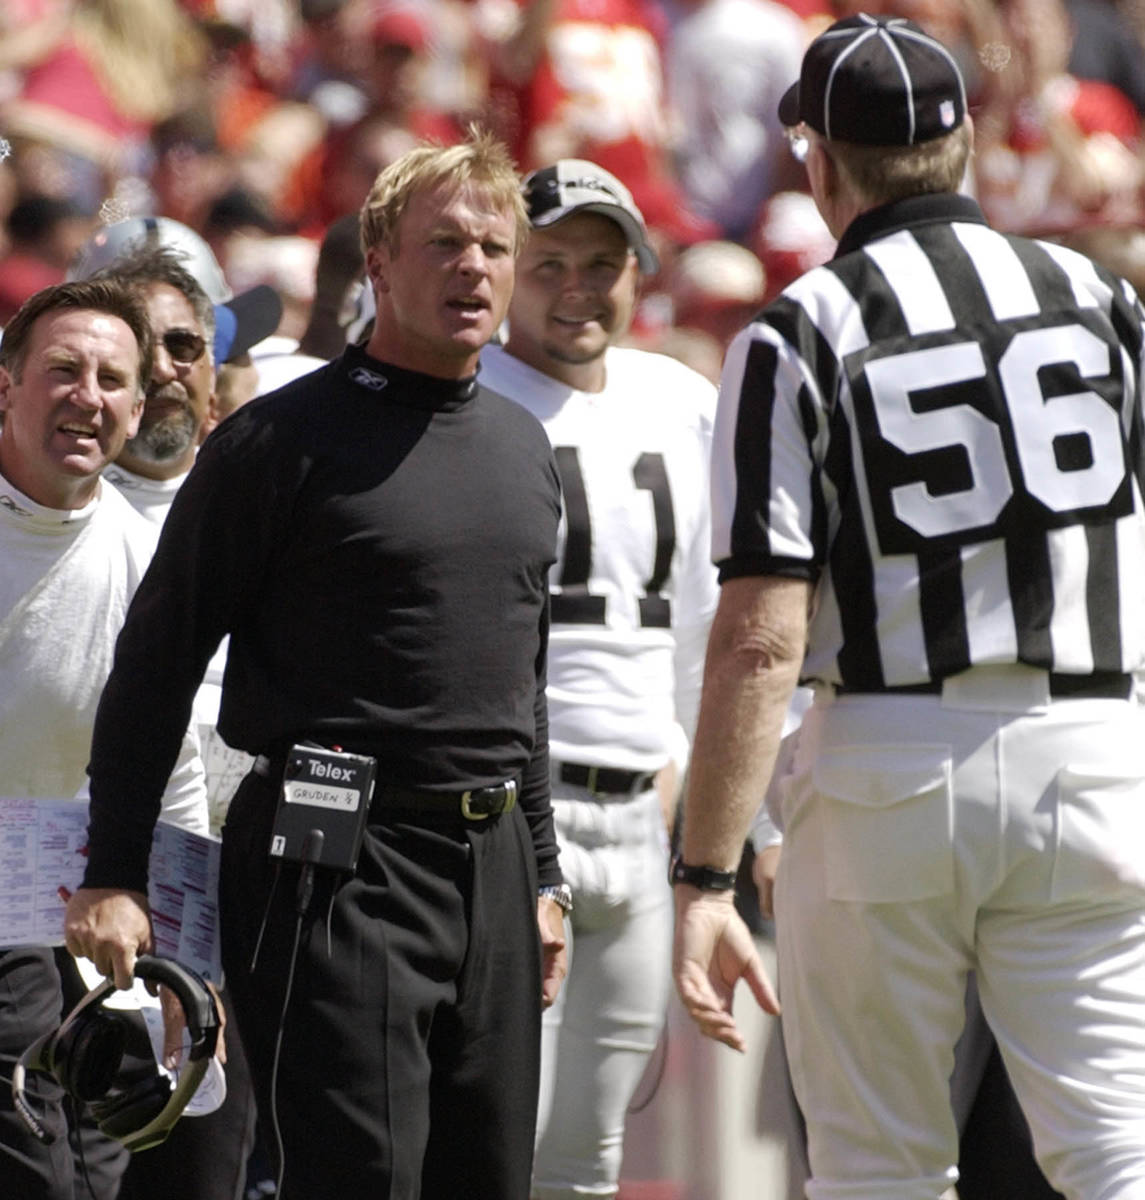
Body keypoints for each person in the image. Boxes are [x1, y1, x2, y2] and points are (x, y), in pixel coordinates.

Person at [671, 14, 1145, 1199]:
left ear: (818, 161)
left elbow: (760, 634)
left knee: (876, 1167)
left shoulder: (798, 333)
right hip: (1093, 750)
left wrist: (707, 875)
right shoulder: (1097, 296)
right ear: (964, 141)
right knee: (1117, 1153)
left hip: (888, 766)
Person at [63, 128, 569, 1200]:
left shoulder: (524, 447)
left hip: (490, 870)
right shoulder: (276, 443)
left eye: (492, 245)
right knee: (359, 1176)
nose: (472, 267)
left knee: (488, 1179)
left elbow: (518, 682)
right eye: (443, 244)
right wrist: (115, 872)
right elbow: (155, 662)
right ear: (377, 262)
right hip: (335, 859)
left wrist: (542, 867)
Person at [478, 159, 718, 1198]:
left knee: (588, 1159)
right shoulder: (465, 388)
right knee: (493, 1142)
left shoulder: (679, 399)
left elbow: (710, 629)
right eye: (550, 264)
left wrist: (730, 824)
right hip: (514, 815)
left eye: (602, 263)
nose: (578, 287)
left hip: (637, 817)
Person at [0, 277, 208, 1200]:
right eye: (63, 370)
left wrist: (188, 968)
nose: (89, 396)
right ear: (7, 383)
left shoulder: (145, 556)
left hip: (75, 928)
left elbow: (174, 765)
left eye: (112, 380)